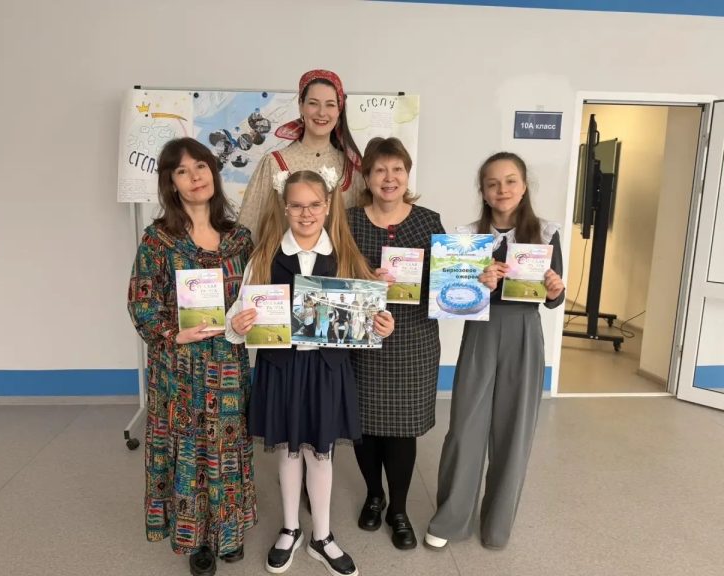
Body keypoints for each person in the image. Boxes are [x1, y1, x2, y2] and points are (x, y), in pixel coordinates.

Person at [227, 169, 394, 576]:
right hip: (281, 368)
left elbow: (367, 320)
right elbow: (235, 319)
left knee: (321, 452)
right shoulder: (264, 256)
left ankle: (323, 535)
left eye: (315, 204)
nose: (306, 213)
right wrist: (239, 324)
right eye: (297, 206)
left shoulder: (346, 255)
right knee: (288, 449)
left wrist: (382, 325)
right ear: (285, 208)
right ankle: (290, 528)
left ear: (328, 205)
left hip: (326, 369)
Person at [127, 137, 256, 576]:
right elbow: (142, 303)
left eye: (200, 166)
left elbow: (254, 298)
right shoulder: (159, 240)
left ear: (213, 172)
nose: (195, 177)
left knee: (227, 449)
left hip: (228, 365)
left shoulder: (240, 239)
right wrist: (173, 334)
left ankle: (228, 532)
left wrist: (250, 320)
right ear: (171, 183)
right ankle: (196, 538)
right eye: (182, 171)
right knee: (190, 452)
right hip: (179, 368)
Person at [424, 152, 565, 551]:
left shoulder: (545, 233)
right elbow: (448, 299)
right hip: (481, 333)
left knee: (514, 430)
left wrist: (556, 291)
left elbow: (553, 298)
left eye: (510, 181)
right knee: (465, 427)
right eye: (493, 183)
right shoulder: (467, 239)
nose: (502, 190)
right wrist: (478, 284)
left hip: (524, 333)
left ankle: (497, 524)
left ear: (524, 186)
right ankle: (452, 519)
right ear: (483, 192)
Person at [346, 137, 445, 550]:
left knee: (404, 431)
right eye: (380, 170)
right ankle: (374, 495)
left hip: (413, 340)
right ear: (367, 177)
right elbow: (333, 277)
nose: (390, 178)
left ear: (407, 174)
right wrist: (365, 282)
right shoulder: (348, 221)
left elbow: (444, 282)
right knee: (364, 428)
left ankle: (398, 509)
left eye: (398, 169)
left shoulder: (428, 222)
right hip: (361, 339)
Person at [237, 69, 364, 241]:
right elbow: (247, 231)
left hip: (339, 259)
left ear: (339, 111)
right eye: (313, 103)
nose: (322, 112)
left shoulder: (351, 169)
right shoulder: (273, 163)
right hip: (282, 259)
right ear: (300, 106)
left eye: (330, 104)